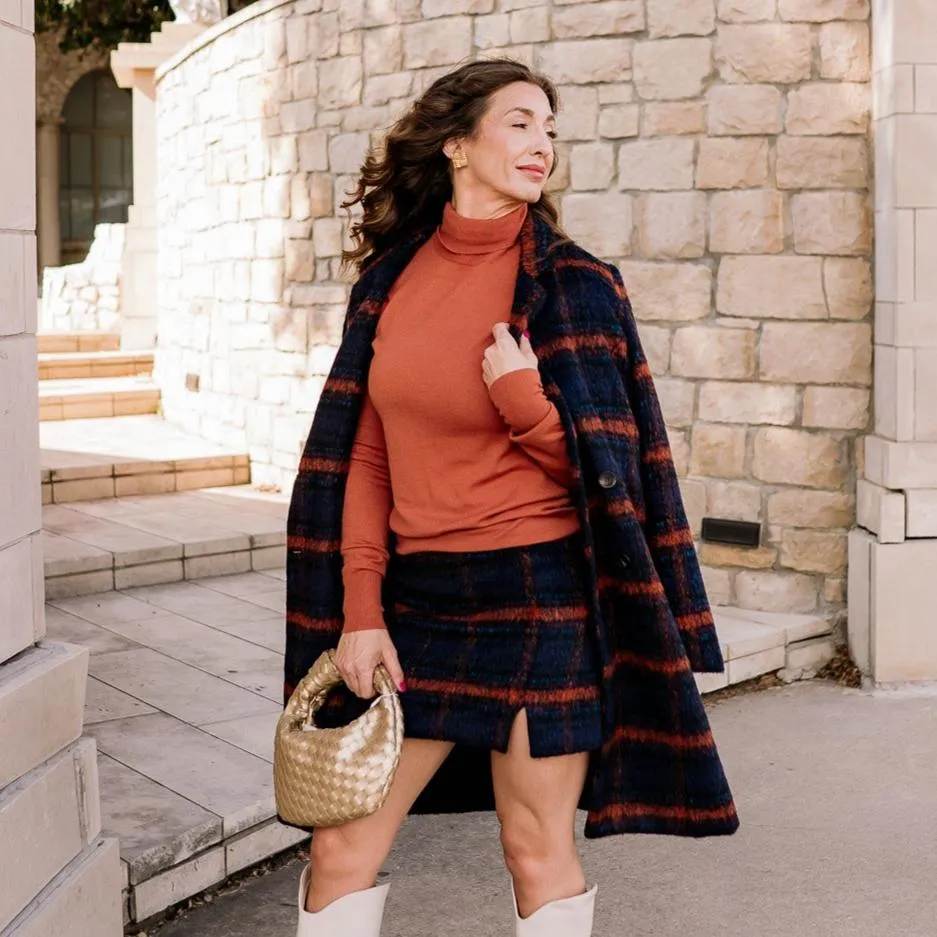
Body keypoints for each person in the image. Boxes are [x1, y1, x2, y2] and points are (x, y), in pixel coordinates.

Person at [283, 58, 738, 937]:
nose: (543, 146)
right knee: (339, 847)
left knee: (533, 847)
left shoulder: (576, 284)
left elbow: (618, 483)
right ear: (456, 143)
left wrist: (528, 406)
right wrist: (362, 608)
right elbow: (364, 459)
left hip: (541, 597)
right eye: (521, 124)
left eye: (552, 132)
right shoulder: (388, 285)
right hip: (416, 604)